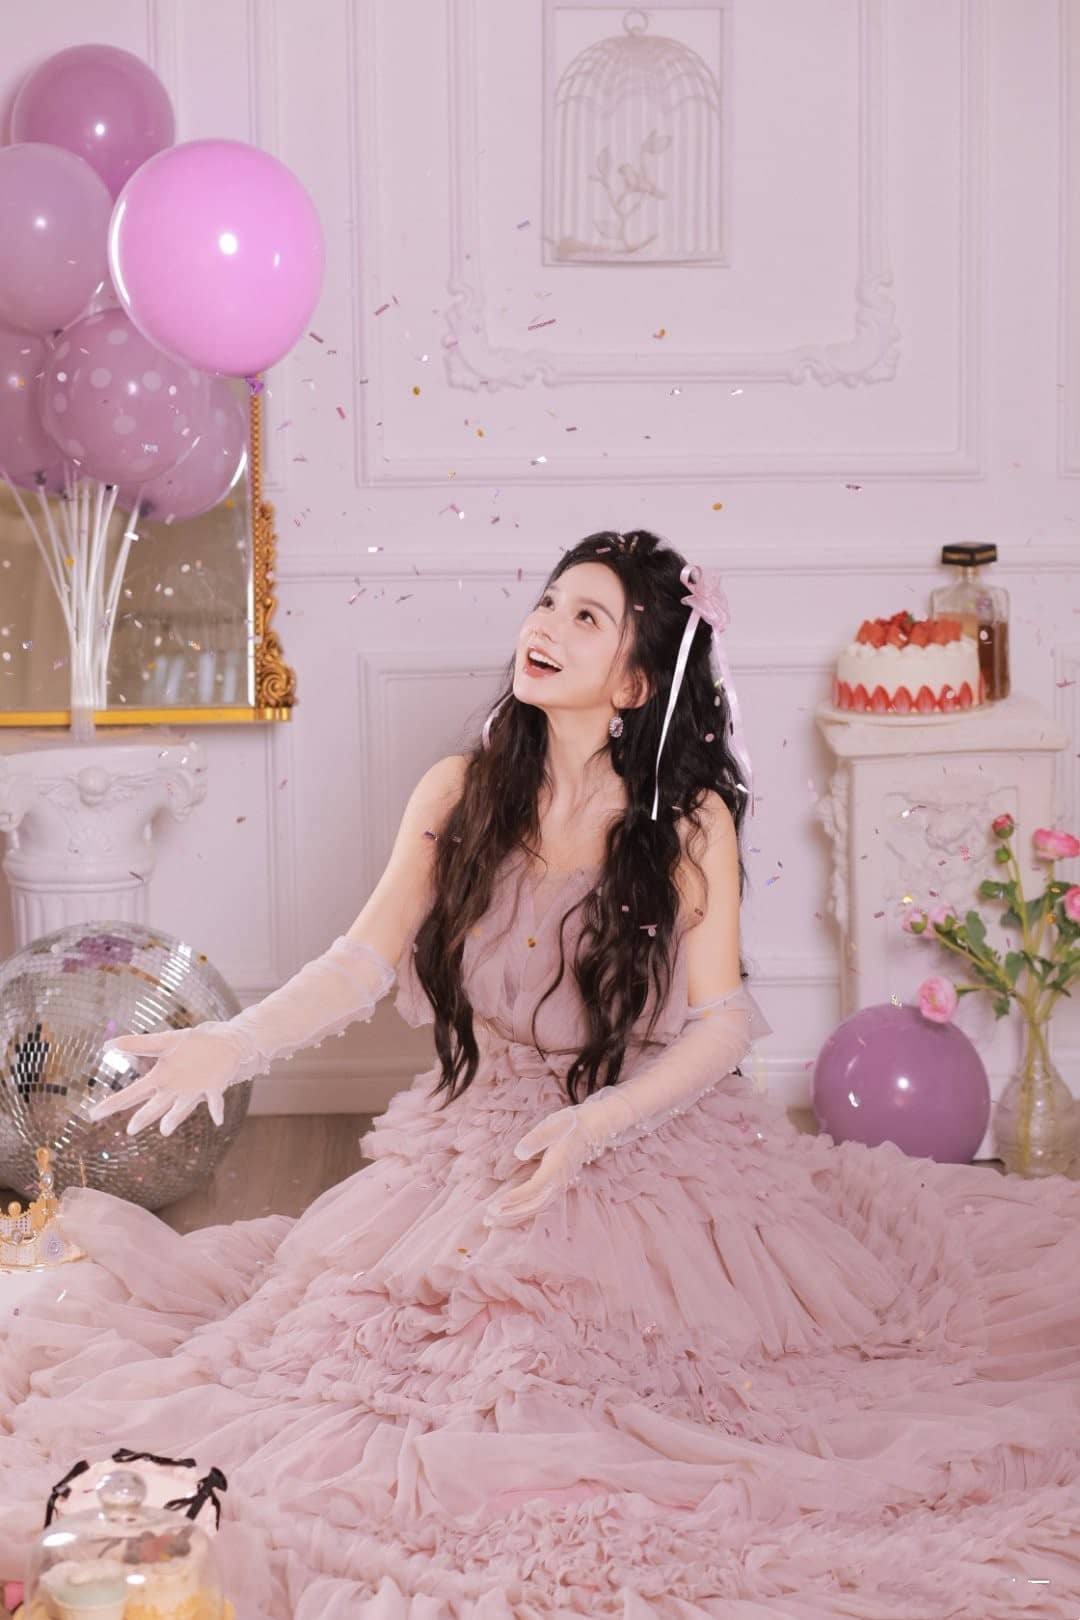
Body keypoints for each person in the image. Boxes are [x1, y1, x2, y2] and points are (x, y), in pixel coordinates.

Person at [0, 529, 1078, 1619]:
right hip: (480, 1132)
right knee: (376, 1359)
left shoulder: (686, 822)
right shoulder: (459, 791)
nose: (546, 628)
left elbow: (721, 1026)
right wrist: (233, 1044)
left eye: (586, 617)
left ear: (635, 684)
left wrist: (599, 1124)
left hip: (640, 1134)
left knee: (572, 1371)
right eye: (550, 602)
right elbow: (360, 962)